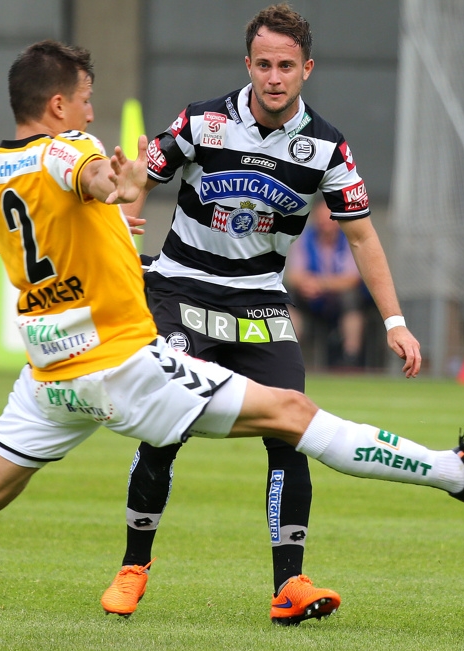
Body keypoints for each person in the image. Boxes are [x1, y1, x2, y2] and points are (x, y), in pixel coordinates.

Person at [0, 39, 464, 646]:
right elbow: (88, 173)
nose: (90, 107)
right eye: (84, 98)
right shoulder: (68, 151)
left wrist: (95, 221)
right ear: (58, 106)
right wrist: (111, 187)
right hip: (120, 361)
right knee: (292, 412)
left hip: (49, 371)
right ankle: (458, 473)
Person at [100, 4, 420, 625]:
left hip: (259, 301)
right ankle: (134, 565)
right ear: (248, 65)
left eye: (287, 66)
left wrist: (395, 322)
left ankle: (289, 584)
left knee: (291, 430)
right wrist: (127, 188)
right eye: (264, 64)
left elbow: (362, 237)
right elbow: (143, 180)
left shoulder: (326, 145)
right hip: (180, 290)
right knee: (166, 428)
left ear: (307, 70)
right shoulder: (203, 121)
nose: (275, 77)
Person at [286, 201, 367, 368]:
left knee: (352, 299)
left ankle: (350, 358)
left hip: (340, 301)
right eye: (321, 219)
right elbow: (293, 275)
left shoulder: (349, 241)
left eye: (329, 219)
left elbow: (352, 279)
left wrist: (321, 284)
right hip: (311, 299)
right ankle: (288, 355)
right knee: (289, 299)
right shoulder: (304, 239)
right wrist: (307, 285)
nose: (325, 224)